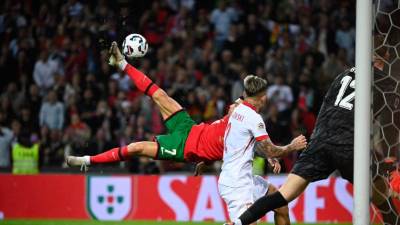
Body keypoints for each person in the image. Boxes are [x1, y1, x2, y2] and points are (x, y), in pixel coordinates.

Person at [67, 42, 298, 224]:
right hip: (190, 128)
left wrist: (265, 153)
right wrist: (270, 152)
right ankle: (122, 63)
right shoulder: (241, 113)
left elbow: (252, 144)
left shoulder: (244, 123)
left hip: (185, 148)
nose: (234, 105)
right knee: (159, 95)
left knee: (138, 147)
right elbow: (252, 138)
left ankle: (88, 160)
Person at [224, 50, 399, 225]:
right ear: (387, 58)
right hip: (349, 143)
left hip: (320, 141)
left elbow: (327, 105)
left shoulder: (342, 75)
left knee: (283, 195)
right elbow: (391, 122)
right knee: (382, 195)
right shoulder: (386, 82)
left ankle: (237, 224)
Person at [218, 75, 307, 225]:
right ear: (263, 97)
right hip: (238, 185)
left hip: (241, 178)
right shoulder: (253, 118)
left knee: (279, 204)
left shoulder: (237, 109)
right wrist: (292, 146)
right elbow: (272, 150)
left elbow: (246, 143)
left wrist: (266, 155)